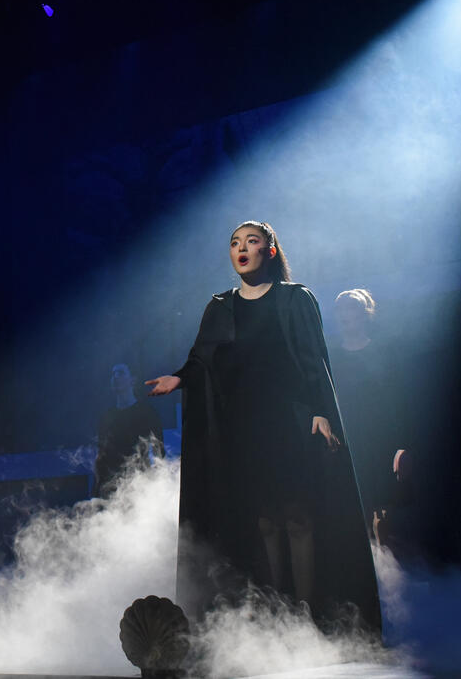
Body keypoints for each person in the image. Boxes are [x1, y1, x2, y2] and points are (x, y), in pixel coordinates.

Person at [146, 221, 380, 629]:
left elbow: (313, 360)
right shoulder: (221, 305)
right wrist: (180, 378)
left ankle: (306, 610)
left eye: (251, 241)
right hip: (244, 426)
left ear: (270, 250)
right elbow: (203, 358)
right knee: (265, 520)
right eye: (235, 243)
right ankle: (282, 608)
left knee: (297, 514)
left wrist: (321, 410)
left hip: (290, 419)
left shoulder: (294, 299)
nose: (241, 248)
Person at [330, 289, 415, 554]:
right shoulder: (331, 356)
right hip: (347, 438)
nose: (346, 315)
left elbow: (398, 400)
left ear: (365, 315)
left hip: (378, 438)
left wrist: (401, 446)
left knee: (383, 508)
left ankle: (388, 571)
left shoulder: (383, 353)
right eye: (341, 309)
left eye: (352, 308)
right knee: (354, 506)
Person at [94, 363, 164, 497]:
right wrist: (98, 488)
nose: (115, 377)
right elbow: (101, 455)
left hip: (140, 483)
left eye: (120, 373)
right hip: (111, 487)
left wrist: (157, 484)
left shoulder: (147, 412)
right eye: (113, 373)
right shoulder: (106, 417)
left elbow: (158, 451)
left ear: (132, 380)